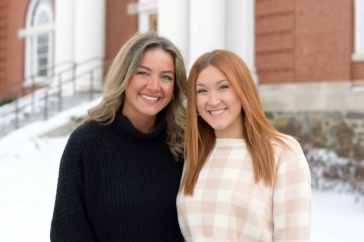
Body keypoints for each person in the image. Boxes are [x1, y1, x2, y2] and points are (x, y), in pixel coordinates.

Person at [50, 32, 187, 241]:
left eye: (166, 77)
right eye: (143, 73)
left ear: (175, 87)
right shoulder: (86, 143)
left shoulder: (182, 146)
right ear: (124, 75)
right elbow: (68, 228)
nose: (154, 86)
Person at [177, 49, 312, 241]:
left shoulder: (283, 152)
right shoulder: (194, 151)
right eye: (202, 91)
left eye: (223, 87)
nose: (213, 101)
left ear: (243, 89)